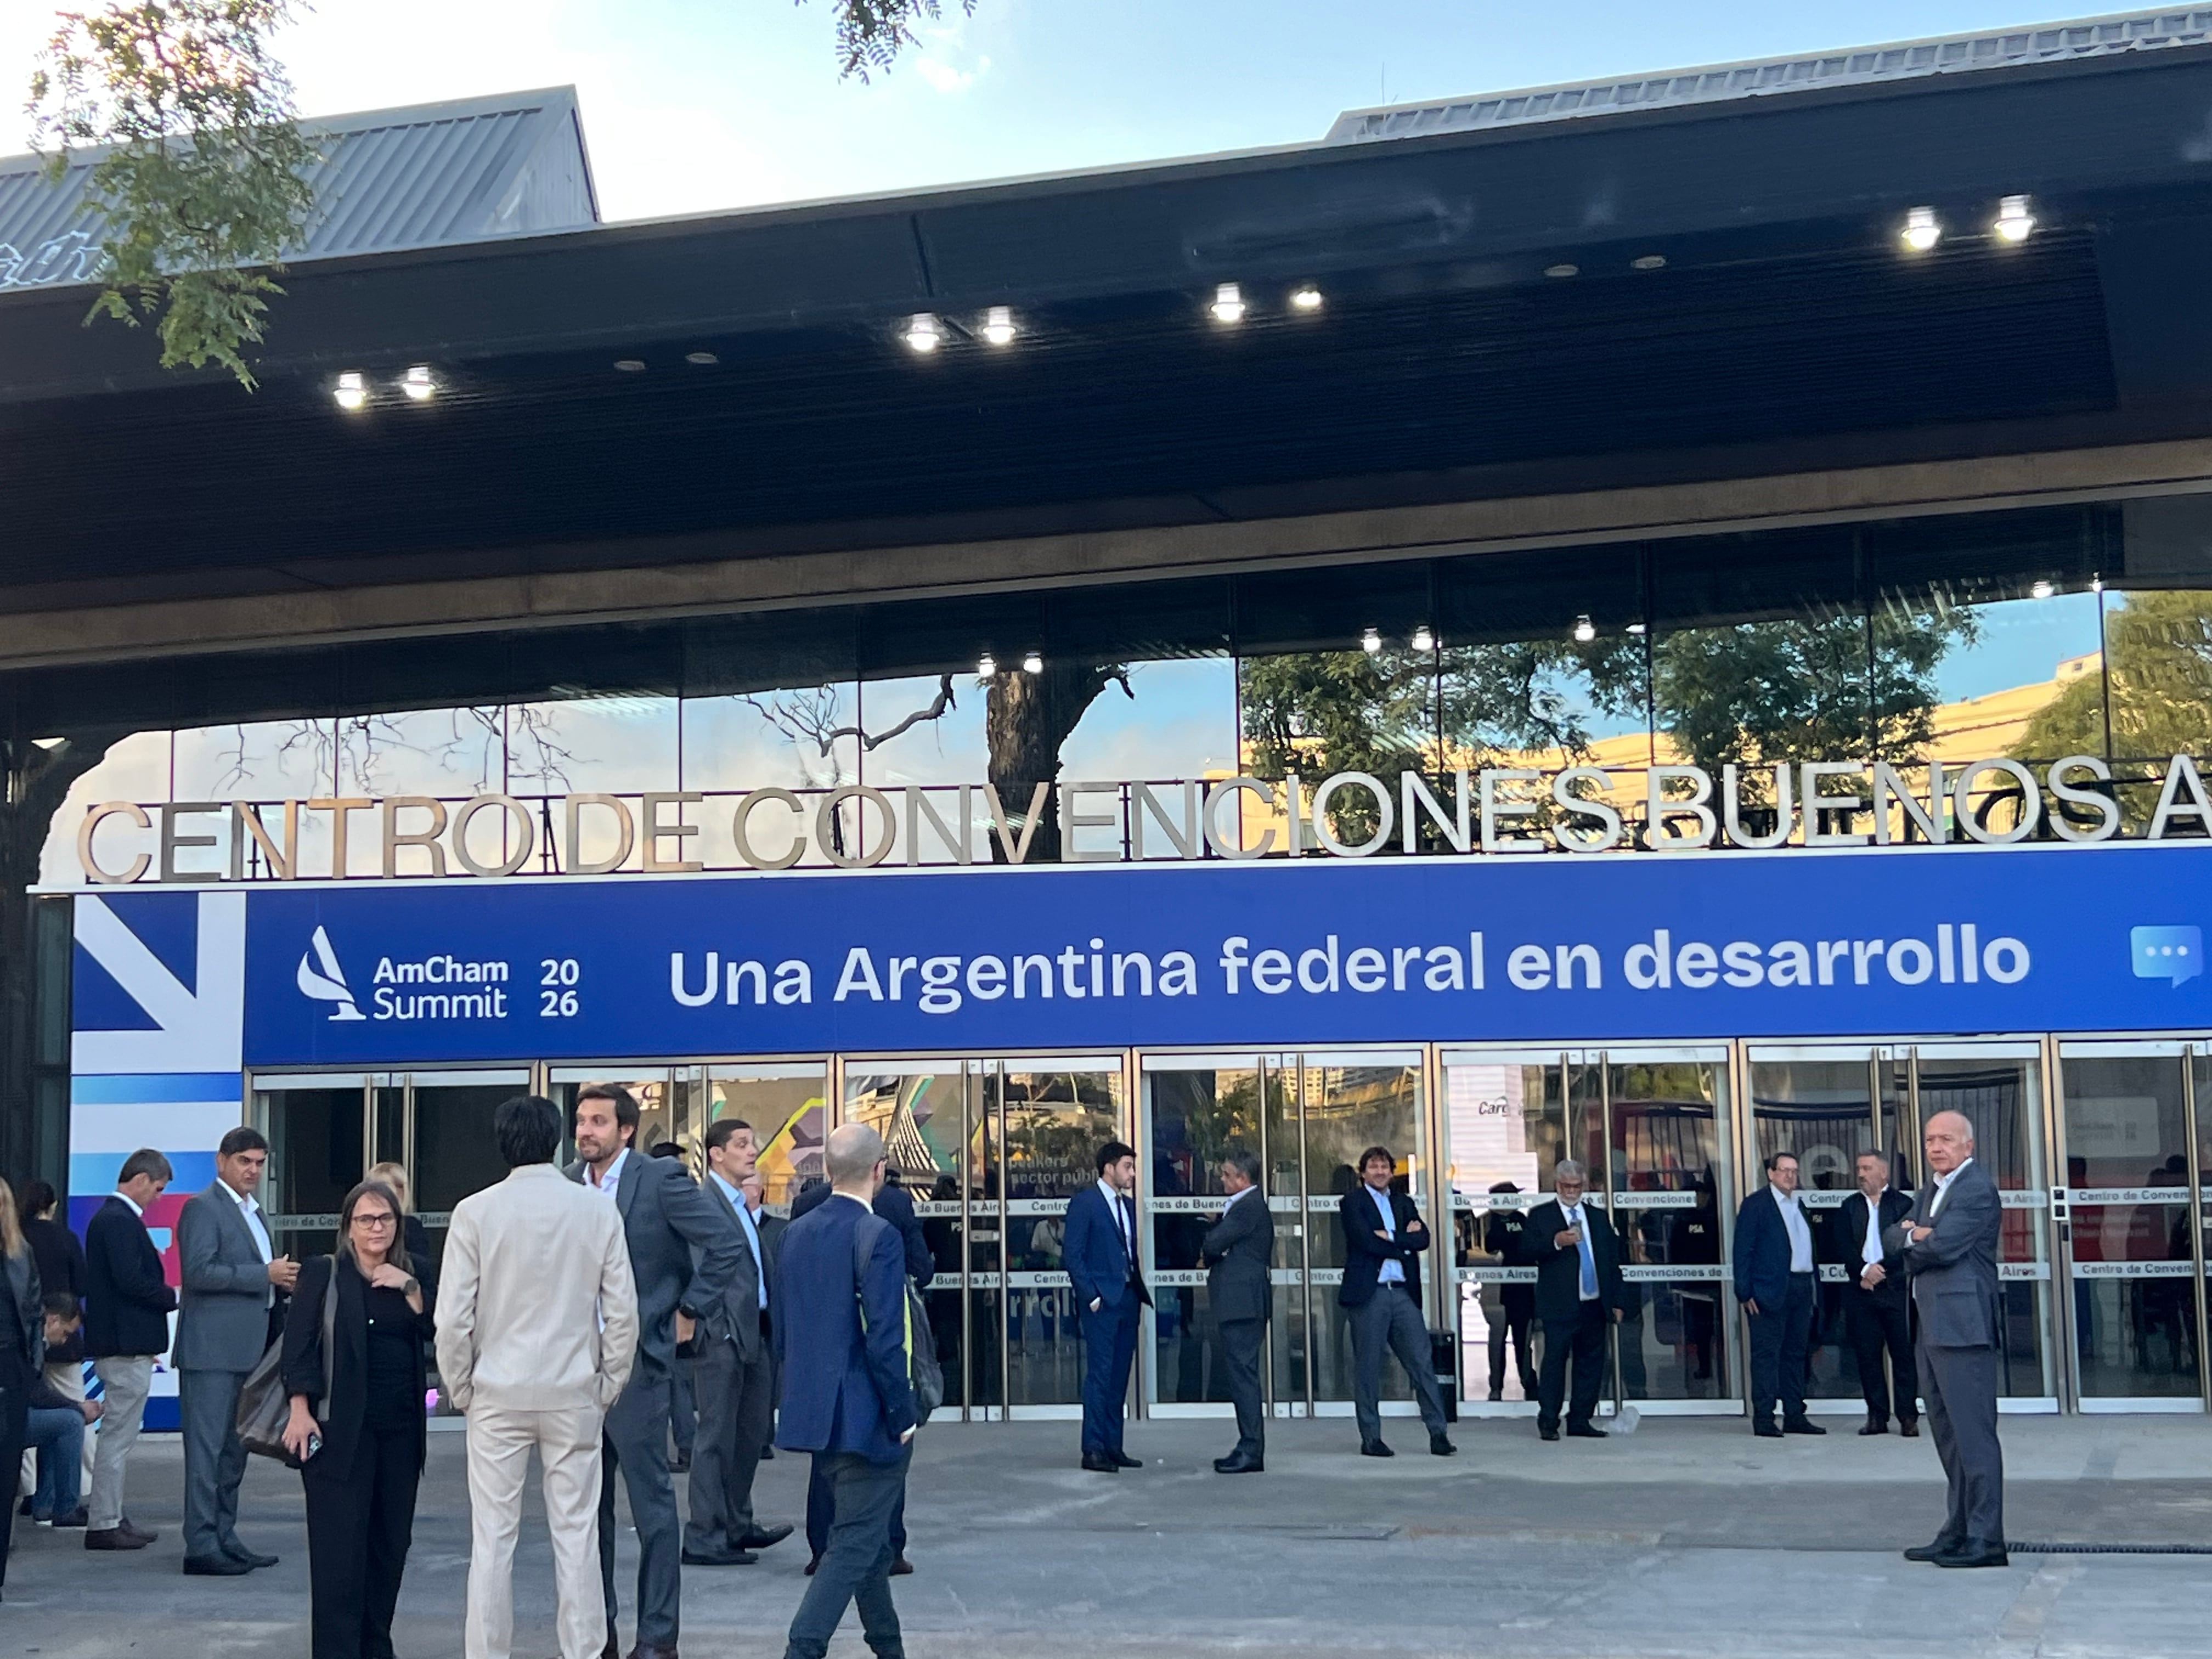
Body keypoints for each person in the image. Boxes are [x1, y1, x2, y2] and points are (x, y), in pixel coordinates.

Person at [437, 1094, 637, 1659]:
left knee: (493, 1540)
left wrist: (461, 1387)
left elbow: (453, 1317)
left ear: (503, 1143)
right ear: (556, 1140)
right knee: (576, 1537)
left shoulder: (475, 1211)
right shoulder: (597, 1210)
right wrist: (609, 1382)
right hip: (574, 1388)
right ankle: (584, 1651)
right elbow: (622, 1311)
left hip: (497, 1391)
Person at [567, 1084, 747, 1659]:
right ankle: (599, 1634)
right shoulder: (567, 1184)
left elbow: (725, 1243)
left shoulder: (659, 1180)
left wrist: (689, 1311)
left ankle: (657, 1637)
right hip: (574, 1371)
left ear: (625, 1130)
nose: (585, 1131)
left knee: (652, 1510)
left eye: (598, 1121)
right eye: (580, 1121)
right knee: (586, 1513)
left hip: (638, 1366)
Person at [775, 1123, 918, 1659]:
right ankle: (802, 1648)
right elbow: (885, 1340)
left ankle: (889, 1648)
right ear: (879, 1171)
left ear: (829, 1170)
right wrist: (902, 1413)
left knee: (868, 1543)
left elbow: (787, 1328)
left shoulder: (796, 1232)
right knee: (855, 1544)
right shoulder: (878, 1235)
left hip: (815, 1412)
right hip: (867, 1417)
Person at [280, 1180, 435, 1659]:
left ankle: (376, 1648)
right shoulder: (324, 1273)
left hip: (401, 1434)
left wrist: (408, 1286)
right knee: (339, 1557)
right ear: (348, 1227)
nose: (377, 1228)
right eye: (366, 1219)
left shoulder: (415, 1273)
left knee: (389, 1549)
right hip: (339, 1433)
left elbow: (443, 1329)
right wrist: (300, 1411)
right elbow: (298, 1347)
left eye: (385, 1219)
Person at [793, 1163, 930, 1573]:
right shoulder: (893, 1207)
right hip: (874, 1353)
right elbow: (921, 1268)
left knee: (826, 1458)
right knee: (887, 1453)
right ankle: (888, 1548)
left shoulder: (804, 1208)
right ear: (878, 1169)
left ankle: (823, 1549)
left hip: (820, 1354)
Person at [175, 1124, 298, 1576]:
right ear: (222, 1161)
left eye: (260, 1163)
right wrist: (263, 1275)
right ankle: (202, 1544)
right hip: (210, 1353)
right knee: (206, 1455)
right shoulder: (203, 1208)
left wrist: (280, 1283)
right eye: (245, 1161)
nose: (253, 1170)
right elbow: (199, 1272)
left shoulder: (253, 1212)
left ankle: (224, 1537)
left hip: (247, 1351)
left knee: (233, 1453)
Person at [1887, 1110, 2007, 1569]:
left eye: (1947, 1140)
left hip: (1962, 1328)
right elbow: (1892, 1237)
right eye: (1930, 1140)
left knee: (1974, 1438)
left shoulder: (1975, 1189)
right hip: (1931, 1326)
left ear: (1968, 1146)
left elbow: (1943, 1247)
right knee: (1948, 1436)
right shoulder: (1932, 1190)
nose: (1936, 1147)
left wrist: (1915, 1236)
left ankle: (1986, 1538)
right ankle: (1957, 1530)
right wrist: (1918, 1234)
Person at [681, 1118, 792, 1566]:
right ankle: (704, 1535)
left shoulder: (741, 1204)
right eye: (742, 1144)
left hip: (755, 1332)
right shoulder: (702, 1203)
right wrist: (712, 1324)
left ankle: (736, 1523)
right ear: (716, 1154)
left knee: (750, 1436)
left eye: (754, 1143)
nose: (752, 1151)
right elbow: (698, 1267)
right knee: (715, 1437)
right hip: (722, 1336)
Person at [82, 1148, 173, 1551]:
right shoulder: (118, 1221)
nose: (157, 1197)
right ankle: (104, 1520)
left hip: (124, 1342)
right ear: (139, 1180)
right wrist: (169, 1296)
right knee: (118, 1437)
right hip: (123, 1346)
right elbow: (130, 1281)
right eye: (157, 1188)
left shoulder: (112, 1220)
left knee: (119, 1436)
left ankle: (111, 1514)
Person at [1336, 1146, 1453, 1459]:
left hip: (1402, 1293)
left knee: (1421, 1362)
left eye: (1384, 1167)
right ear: (1362, 1173)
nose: (1379, 1172)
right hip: (1370, 1294)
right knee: (1369, 1368)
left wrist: (1391, 1238)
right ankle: (1371, 1438)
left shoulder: (1404, 1202)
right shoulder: (1352, 1203)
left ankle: (1438, 1433)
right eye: (1373, 1167)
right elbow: (1364, 1241)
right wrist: (1403, 1241)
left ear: (1392, 1171)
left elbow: (1423, 1239)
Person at [1517, 1160, 1626, 1441]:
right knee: (1554, 1363)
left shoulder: (1598, 1217)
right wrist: (1556, 1242)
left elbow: (1612, 1261)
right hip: (1559, 1305)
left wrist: (1616, 1301)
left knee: (1591, 1363)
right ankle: (1549, 1420)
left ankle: (1580, 1419)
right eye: (1566, 1186)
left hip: (1593, 1303)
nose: (1571, 1191)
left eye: (1576, 1186)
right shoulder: (1541, 1216)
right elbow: (1525, 1250)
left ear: (1584, 1185)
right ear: (1556, 1186)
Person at [1062, 1139, 1151, 1473]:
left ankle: (1114, 1446)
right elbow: (1073, 1254)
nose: (1131, 1173)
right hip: (1102, 1302)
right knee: (1100, 1375)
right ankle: (1093, 1448)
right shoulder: (1085, 1203)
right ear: (1109, 1167)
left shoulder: (1127, 1206)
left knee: (1118, 1377)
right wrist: (1092, 1296)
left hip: (1128, 1298)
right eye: (1127, 1166)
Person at [1733, 1150, 1824, 1438]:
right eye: (1784, 1170)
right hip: (1767, 1292)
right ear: (1771, 1174)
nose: (1790, 1175)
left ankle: (1795, 1414)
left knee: (1796, 1355)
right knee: (1766, 1357)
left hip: (1800, 1288)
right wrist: (1744, 1291)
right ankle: (1764, 1418)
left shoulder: (1800, 1204)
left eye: (1794, 1171)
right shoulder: (1756, 1205)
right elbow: (1743, 1250)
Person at [1199, 1149, 1271, 1473]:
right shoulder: (1244, 1208)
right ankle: (1247, 1445)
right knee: (1241, 1375)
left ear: (1243, 1178)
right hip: (1240, 1304)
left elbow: (1214, 1244)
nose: (1223, 1179)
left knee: (1243, 1377)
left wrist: (1215, 1241)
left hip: (1243, 1305)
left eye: (1227, 1175)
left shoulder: (1246, 1207)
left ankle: (1251, 1449)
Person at [1838, 1150, 1917, 1437]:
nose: (1861, 1174)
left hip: (1895, 1290)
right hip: (1862, 1292)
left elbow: (1908, 1247)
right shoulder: (1849, 1206)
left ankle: (1908, 1416)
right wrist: (1862, 1272)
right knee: (1868, 1356)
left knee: (1903, 1354)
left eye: (1867, 1168)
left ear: (1883, 1173)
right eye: (1859, 1168)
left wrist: (1879, 1270)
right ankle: (1876, 1416)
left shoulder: (1904, 1205)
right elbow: (1843, 1245)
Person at [24, 1295, 100, 1528]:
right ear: (53, 1320)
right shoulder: (30, 1341)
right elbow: (35, 1393)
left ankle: (46, 1505)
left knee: (58, 1419)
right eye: (66, 1333)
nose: (65, 1341)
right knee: (70, 1422)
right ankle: (66, 1508)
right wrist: (78, 1407)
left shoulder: (29, 1336)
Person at [0, 1181, 43, 1596]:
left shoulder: (20, 1254)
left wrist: (31, 1369)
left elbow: (33, 1315)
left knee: (5, 1475)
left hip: (10, 1369)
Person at [646, 1144, 697, 1475]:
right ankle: (686, 1446)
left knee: (667, 1385)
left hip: (669, 1307)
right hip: (677, 1304)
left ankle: (680, 1447)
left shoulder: (649, 1202)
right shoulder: (678, 1201)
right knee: (675, 1384)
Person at [1482, 1182, 1539, 1402]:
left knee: (1523, 1339)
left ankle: (1528, 1381)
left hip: (1522, 1287)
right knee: (1497, 1339)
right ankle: (1496, 1385)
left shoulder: (1522, 1219)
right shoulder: (1487, 1221)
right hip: (1494, 1288)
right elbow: (1486, 1249)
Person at [743, 1171, 785, 1463]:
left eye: (745, 1186)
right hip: (738, 1315)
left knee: (768, 1378)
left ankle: (763, 1438)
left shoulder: (780, 1229)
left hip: (769, 1315)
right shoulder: (724, 1223)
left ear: (758, 1190)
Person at [364, 1161, 438, 1302]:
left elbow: (420, 1272)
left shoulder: (410, 1226)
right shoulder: (358, 1224)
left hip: (399, 1299)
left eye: (384, 1188)